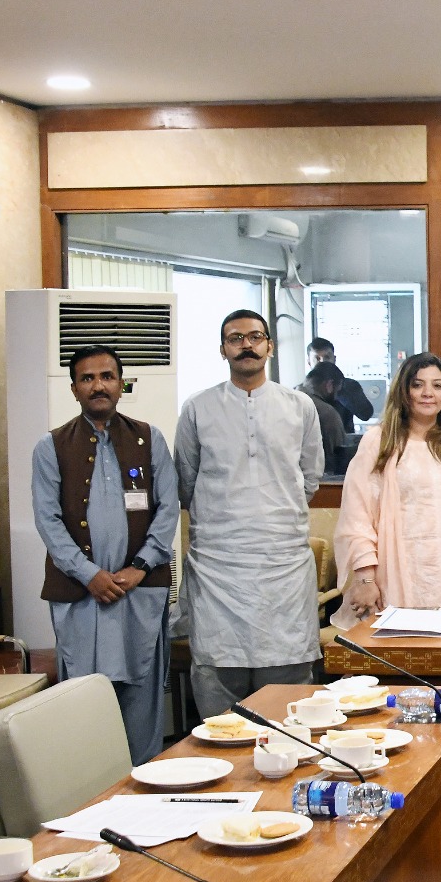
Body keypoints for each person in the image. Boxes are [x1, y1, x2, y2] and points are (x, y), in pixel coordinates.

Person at [31, 345, 179, 764]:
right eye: (88, 378)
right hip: (82, 596)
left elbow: (167, 508)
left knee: (142, 694)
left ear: (121, 384)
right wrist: (87, 574)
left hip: (139, 592)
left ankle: (144, 787)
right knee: (86, 699)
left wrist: (139, 567)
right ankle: (92, 795)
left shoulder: (149, 438)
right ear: (74, 388)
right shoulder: (51, 446)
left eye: (107, 377)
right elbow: (47, 519)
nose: (99, 385)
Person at [176, 309, 323, 718]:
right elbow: (186, 483)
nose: (247, 345)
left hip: (283, 565)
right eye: (236, 338)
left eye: (255, 337)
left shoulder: (300, 407)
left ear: (270, 347)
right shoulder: (197, 409)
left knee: (288, 691)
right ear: (222, 350)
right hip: (218, 566)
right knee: (218, 688)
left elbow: (309, 479)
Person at [332, 353, 441, 630]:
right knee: (401, 649)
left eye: (437, 385)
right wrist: (365, 579)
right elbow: (357, 515)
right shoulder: (380, 440)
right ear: (404, 390)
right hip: (396, 567)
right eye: (418, 385)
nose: (427, 393)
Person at [307, 337, 375, 432]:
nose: (322, 362)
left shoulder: (348, 385)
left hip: (343, 443)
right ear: (309, 362)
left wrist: (339, 389)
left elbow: (365, 414)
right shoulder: (302, 391)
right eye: (317, 358)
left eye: (327, 357)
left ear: (334, 359)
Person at [299, 360, 347, 476]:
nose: (336, 397)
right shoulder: (327, 413)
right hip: (319, 484)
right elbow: (338, 454)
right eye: (337, 391)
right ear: (329, 385)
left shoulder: (284, 400)